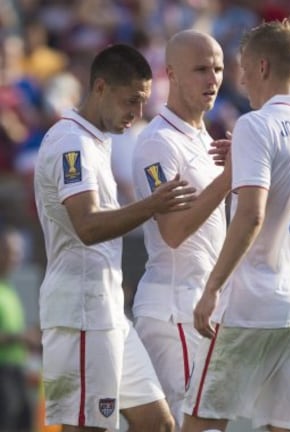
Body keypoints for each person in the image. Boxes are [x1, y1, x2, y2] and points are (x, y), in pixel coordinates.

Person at [181, 19, 290, 432]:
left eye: (241, 66)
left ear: (262, 67)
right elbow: (289, 191)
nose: (237, 77)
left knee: (202, 423)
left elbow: (253, 215)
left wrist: (213, 287)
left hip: (251, 303)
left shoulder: (256, 125)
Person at [34, 43, 196, 432]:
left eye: (143, 102)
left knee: (158, 423)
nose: (137, 114)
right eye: (131, 101)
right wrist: (151, 205)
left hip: (106, 313)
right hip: (81, 313)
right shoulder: (71, 141)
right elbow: (87, 226)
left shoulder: (93, 140)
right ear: (101, 88)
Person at [131, 29, 231, 430]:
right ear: (171, 73)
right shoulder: (159, 143)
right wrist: (231, 177)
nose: (213, 79)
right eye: (201, 69)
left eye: (219, 68)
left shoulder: (202, 138)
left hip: (199, 307)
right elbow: (173, 232)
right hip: (174, 310)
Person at [0, 225, 40, 432]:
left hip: (18, 371)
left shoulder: (8, 287)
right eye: (10, 252)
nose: (15, 258)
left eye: (18, 253)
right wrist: (20, 337)